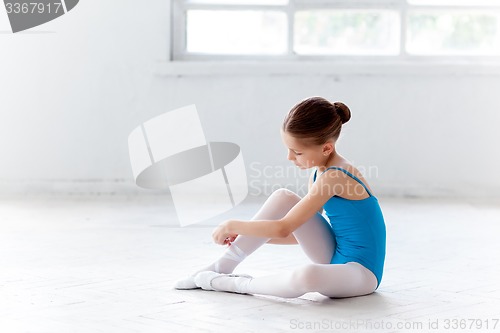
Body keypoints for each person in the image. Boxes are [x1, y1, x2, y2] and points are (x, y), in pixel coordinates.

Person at [174, 96, 386, 298]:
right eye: (289, 149)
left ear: (326, 148)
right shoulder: (319, 172)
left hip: (359, 273)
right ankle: (221, 267)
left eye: (298, 152)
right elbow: (299, 234)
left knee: (306, 275)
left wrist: (233, 225)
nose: (290, 157)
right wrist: (250, 239)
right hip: (334, 255)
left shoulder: (336, 176)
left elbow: (284, 227)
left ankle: (234, 284)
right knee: (283, 197)